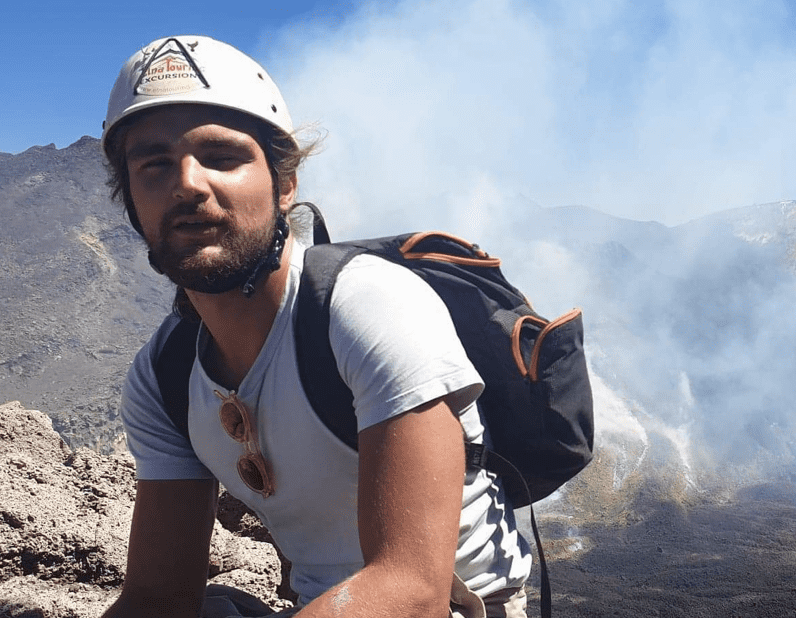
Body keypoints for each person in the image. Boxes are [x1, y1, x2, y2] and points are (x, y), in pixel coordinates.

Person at [99, 35, 531, 618]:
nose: (188, 184)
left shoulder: (367, 306)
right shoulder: (166, 375)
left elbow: (413, 590)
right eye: (153, 165)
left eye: (223, 157)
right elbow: (158, 597)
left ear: (285, 187)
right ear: (131, 201)